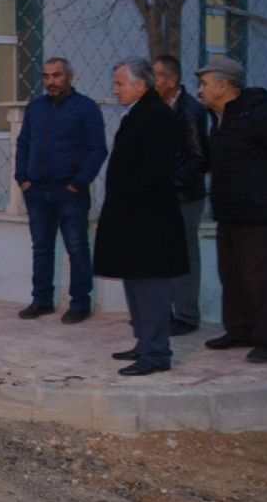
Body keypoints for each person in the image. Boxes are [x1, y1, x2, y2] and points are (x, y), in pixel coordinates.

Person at [196, 57, 267, 364]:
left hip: (258, 213)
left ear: (223, 85)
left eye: (205, 84)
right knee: (231, 275)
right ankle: (239, 331)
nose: (200, 90)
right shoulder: (218, 117)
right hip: (229, 211)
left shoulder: (259, 113)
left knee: (260, 279)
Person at [94, 60, 188, 376]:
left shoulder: (157, 116)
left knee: (152, 288)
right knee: (135, 283)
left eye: (120, 83)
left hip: (149, 219)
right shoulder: (139, 113)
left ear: (140, 85)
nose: (115, 89)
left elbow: (155, 170)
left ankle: (157, 353)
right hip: (133, 217)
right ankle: (144, 343)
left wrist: (126, 197)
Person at [14, 57, 108, 324]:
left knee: (77, 249)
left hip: (70, 192)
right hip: (37, 192)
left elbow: (97, 149)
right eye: (46, 76)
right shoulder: (36, 108)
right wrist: (22, 178)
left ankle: (80, 304)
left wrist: (78, 183)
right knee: (41, 248)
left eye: (56, 76)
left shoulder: (85, 108)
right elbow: (23, 143)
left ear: (69, 77)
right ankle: (41, 300)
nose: (51, 82)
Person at [152, 54, 210, 335]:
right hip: (162, 194)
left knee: (185, 255)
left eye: (157, 77)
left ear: (172, 80)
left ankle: (187, 316)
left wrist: (170, 184)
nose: (152, 83)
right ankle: (161, 312)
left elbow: (198, 158)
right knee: (161, 254)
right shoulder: (156, 107)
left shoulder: (191, 111)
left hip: (185, 195)